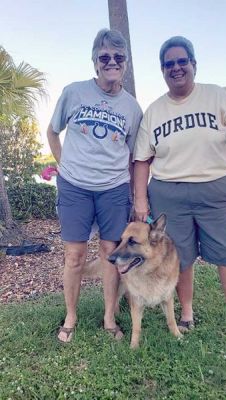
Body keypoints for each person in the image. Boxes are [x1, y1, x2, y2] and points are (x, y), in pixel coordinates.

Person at [133, 36, 226, 343]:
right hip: (169, 193)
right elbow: (142, 160)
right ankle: (186, 313)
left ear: (193, 65)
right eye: (169, 64)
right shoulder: (154, 110)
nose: (176, 68)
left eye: (181, 61)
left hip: (216, 190)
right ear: (162, 70)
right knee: (180, 259)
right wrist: (141, 200)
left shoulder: (215, 96)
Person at [47, 29, 142, 343]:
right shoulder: (74, 92)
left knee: (109, 254)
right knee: (74, 256)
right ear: (95, 62)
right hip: (75, 187)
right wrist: (64, 166)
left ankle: (109, 317)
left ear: (125, 64)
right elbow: (52, 132)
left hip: (113, 189)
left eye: (118, 57)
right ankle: (71, 316)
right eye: (105, 57)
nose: (111, 62)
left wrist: (130, 191)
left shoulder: (132, 108)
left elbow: (132, 154)